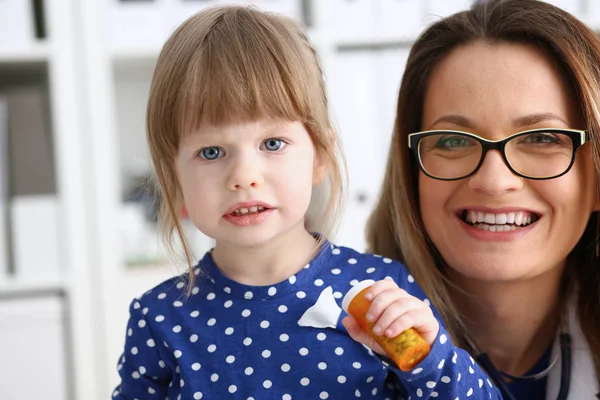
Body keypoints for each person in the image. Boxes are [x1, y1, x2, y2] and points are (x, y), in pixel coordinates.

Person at [111, 5, 501, 400]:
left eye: (272, 143)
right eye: (212, 152)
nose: (244, 176)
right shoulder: (159, 318)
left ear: (320, 156)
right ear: (171, 172)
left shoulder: (380, 293)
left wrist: (429, 359)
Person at [365, 0, 600, 399]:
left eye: (542, 138)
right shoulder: (324, 350)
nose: (494, 181)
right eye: (453, 141)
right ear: (411, 174)